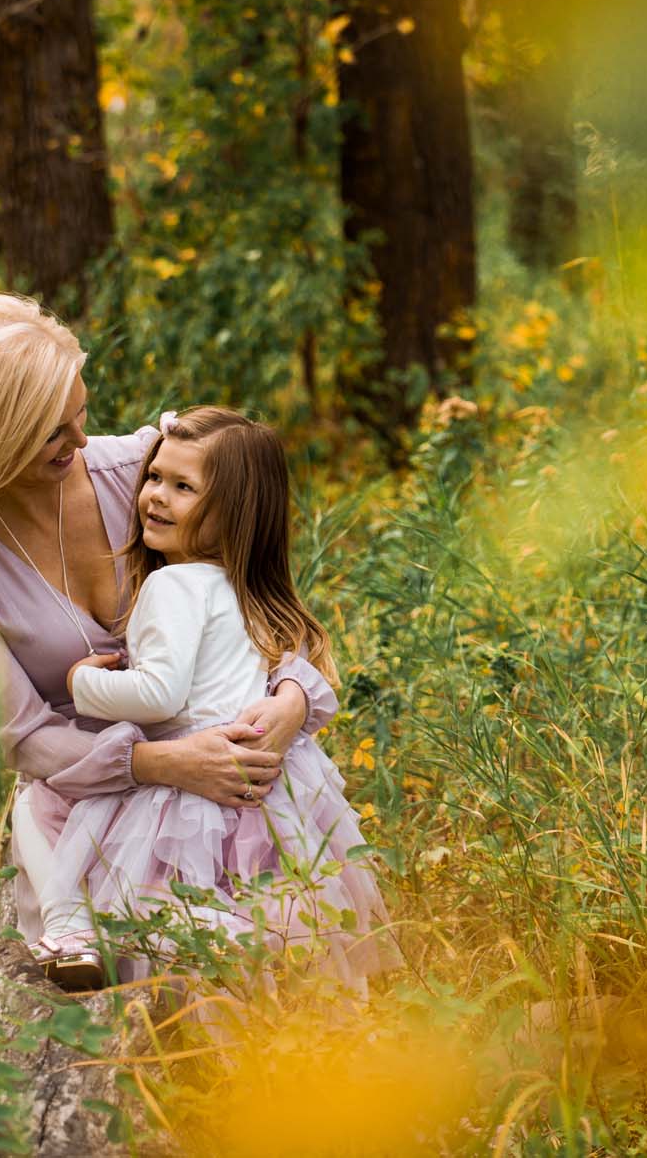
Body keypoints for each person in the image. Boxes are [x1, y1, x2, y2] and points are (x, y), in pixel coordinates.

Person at [0, 294, 342, 990]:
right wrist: (162, 762)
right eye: (52, 432)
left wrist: (291, 700)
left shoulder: (148, 472)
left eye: (81, 413)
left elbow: (264, 598)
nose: (81, 443)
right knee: (160, 959)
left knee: (288, 944)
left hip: (228, 764)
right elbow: (25, 736)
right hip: (90, 793)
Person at [54, 406, 393, 991]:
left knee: (145, 880)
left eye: (183, 487)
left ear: (233, 514)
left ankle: (72, 934)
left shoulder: (171, 583)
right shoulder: (246, 590)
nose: (156, 497)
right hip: (272, 781)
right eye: (155, 477)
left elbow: (160, 696)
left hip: (193, 774)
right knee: (273, 900)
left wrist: (82, 684)